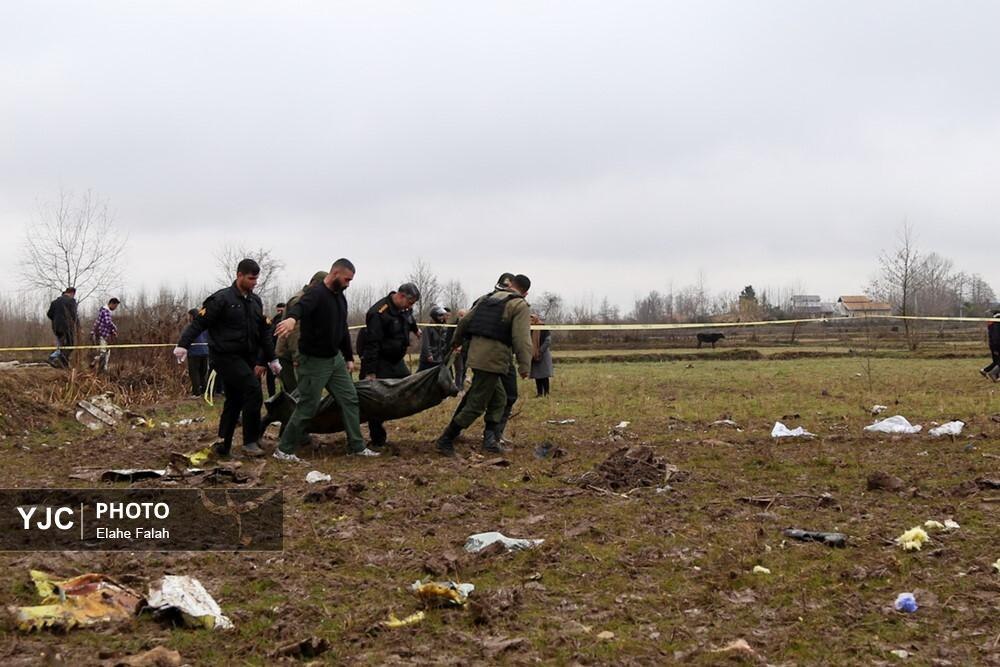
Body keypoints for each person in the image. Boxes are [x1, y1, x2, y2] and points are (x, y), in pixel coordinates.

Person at [174, 259, 280, 459]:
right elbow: (200, 323)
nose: (254, 282)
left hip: (246, 358)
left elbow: (264, 331)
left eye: (256, 279)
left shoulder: (255, 301)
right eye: (251, 278)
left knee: (235, 399)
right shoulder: (221, 299)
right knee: (253, 391)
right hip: (224, 357)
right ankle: (250, 441)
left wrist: (270, 359)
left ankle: (224, 443)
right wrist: (183, 344)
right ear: (239, 275)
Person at [274, 258, 376, 462]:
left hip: (335, 359)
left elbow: (342, 329)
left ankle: (356, 446)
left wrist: (348, 356)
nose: (348, 284)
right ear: (336, 273)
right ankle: (284, 450)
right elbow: (301, 307)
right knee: (308, 406)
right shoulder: (316, 293)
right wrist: (293, 319)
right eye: (347, 279)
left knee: (350, 399)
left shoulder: (340, 298)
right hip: (313, 360)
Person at [435, 274, 532, 456]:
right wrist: (524, 365)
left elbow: (465, 322)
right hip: (493, 360)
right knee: (477, 404)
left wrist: (455, 342)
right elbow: (522, 338)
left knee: (499, 398)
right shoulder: (519, 305)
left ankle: (489, 441)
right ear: (525, 293)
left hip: (476, 356)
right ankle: (445, 439)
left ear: (511, 285)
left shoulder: (487, 298)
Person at [360, 283, 421, 449]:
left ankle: (395, 411)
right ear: (401, 296)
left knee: (410, 386)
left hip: (396, 360)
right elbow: (372, 344)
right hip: (380, 360)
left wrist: (415, 329)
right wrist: (371, 372)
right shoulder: (378, 313)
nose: (411, 307)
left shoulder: (405, 308)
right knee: (377, 399)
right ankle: (378, 439)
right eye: (410, 303)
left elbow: (409, 318)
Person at [275, 272, 328, 394]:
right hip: (290, 357)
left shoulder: (310, 298)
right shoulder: (300, 300)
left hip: (297, 355)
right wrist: (298, 359)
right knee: (297, 394)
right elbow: (295, 334)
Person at [46, 287, 78, 368]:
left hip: (56, 327)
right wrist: (77, 326)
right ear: (72, 293)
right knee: (69, 346)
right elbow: (74, 315)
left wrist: (56, 320)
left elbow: (49, 314)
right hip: (67, 327)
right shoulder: (71, 301)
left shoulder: (54, 302)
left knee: (61, 344)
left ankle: (61, 363)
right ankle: (54, 358)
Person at [89, 297, 120, 372]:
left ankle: (103, 367)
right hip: (101, 334)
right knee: (103, 352)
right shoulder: (106, 311)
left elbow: (104, 323)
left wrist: (112, 331)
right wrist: (114, 328)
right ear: (112, 304)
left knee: (107, 352)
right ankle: (98, 365)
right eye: (115, 306)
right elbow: (108, 322)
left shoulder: (104, 311)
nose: (115, 308)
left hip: (103, 334)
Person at [185, 308, 210, 397]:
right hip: (205, 352)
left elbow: (186, 338)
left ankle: (196, 393)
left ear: (192, 316)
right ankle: (204, 391)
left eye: (189, 316)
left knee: (194, 373)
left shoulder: (192, 326)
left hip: (194, 353)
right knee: (203, 373)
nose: (188, 318)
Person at [418, 305, 450, 372]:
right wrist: (429, 355)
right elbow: (425, 344)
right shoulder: (428, 328)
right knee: (422, 376)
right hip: (428, 360)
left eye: (442, 316)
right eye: (440, 316)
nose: (442, 318)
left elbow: (444, 342)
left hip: (439, 358)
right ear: (435, 316)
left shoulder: (442, 328)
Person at [265, 302, 286, 397]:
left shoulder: (287, 322)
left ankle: (285, 395)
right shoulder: (272, 322)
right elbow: (269, 338)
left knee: (285, 378)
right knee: (270, 378)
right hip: (273, 354)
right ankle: (272, 396)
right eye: (278, 310)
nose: (279, 312)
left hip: (284, 355)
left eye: (281, 310)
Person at [529, 313, 553, 396]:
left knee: (544, 375)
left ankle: (546, 393)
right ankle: (539, 393)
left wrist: (540, 351)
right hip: (534, 354)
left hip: (543, 354)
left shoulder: (543, 327)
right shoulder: (529, 329)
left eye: (532, 319)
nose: (530, 321)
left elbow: (548, 341)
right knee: (537, 375)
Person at [980, 311, 1000, 381]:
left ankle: (985, 371)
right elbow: (996, 336)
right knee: (997, 361)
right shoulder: (996, 323)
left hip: (993, 344)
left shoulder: (992, 323)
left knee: (996, 361)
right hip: (996, 344)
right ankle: (993, 373)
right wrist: (996, 348)